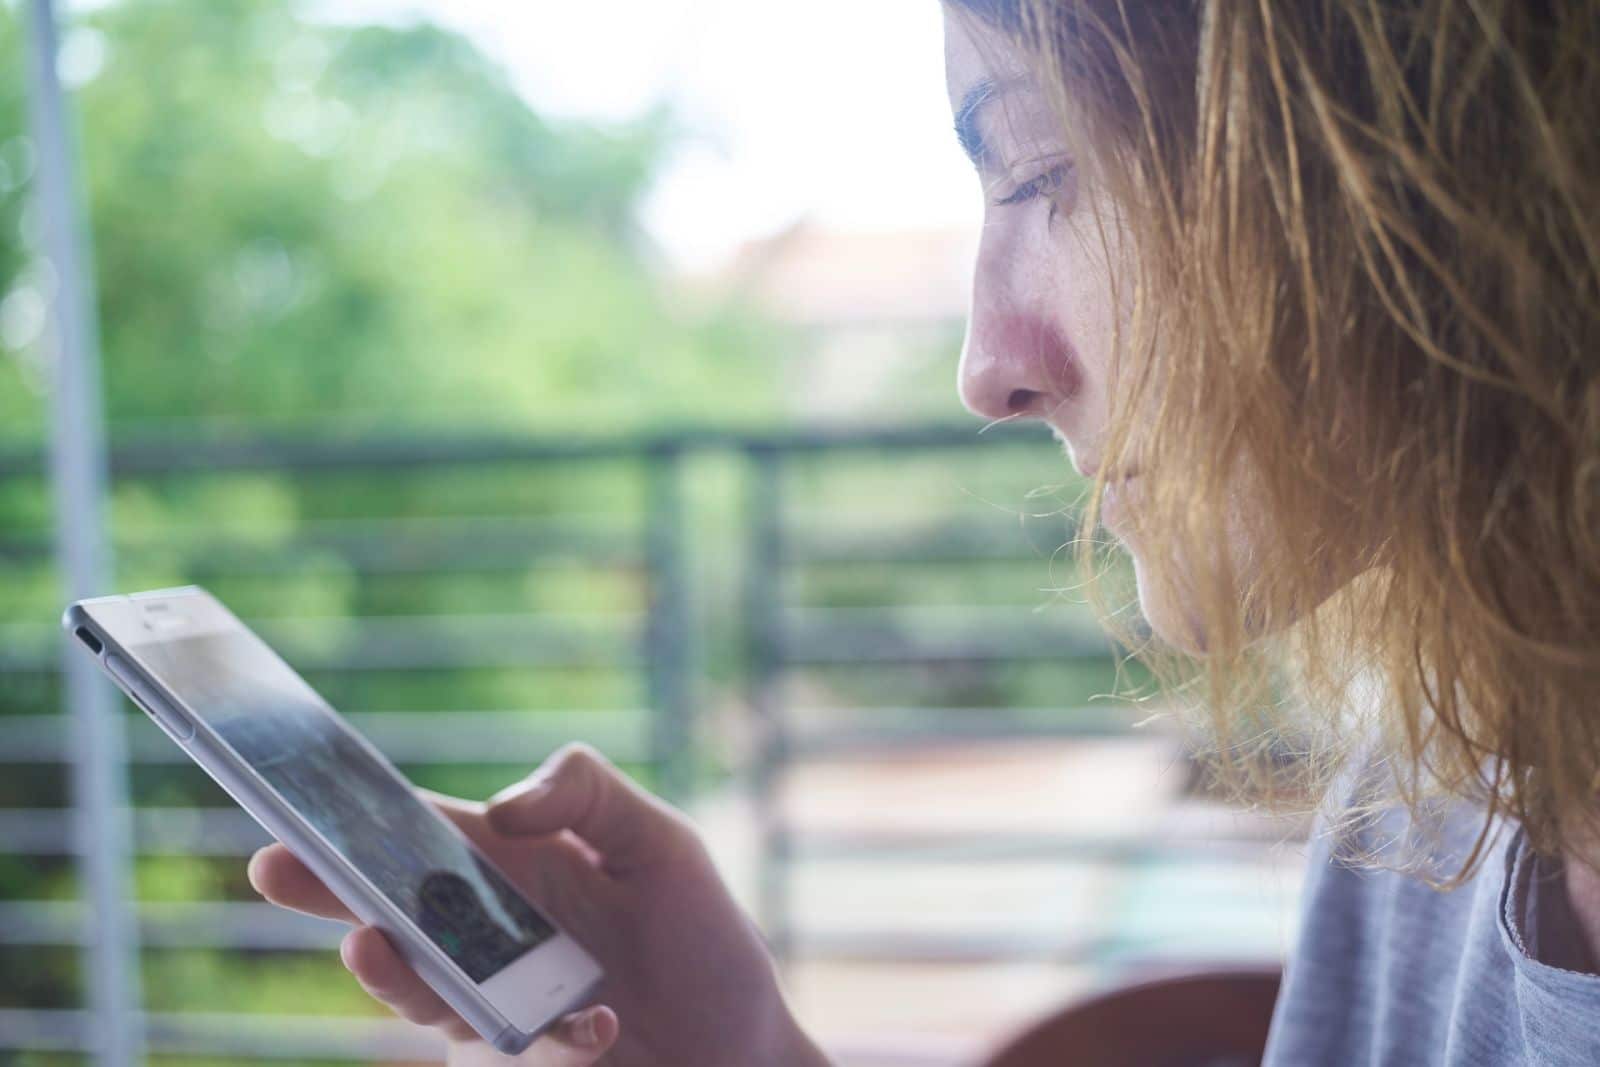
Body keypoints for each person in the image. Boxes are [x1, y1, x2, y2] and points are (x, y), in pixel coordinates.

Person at [249, 1, 1600, 1063]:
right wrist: (743, 1054)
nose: (988, 368)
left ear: (1435, 148)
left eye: (1042, 165)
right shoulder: (1429, 796)